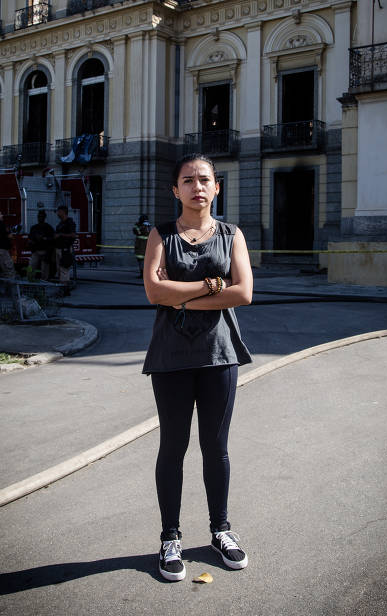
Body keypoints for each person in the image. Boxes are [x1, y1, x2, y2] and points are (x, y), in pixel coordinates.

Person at [142, 153, 253, 582]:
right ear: (176, 191)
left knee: (216, 447)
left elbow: (243, 293)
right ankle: (170, 538)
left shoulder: (232, 234)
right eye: (187, 180)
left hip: (219, 355)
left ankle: (220, 531)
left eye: (204, 179)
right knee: (173, 446)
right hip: (171, 357)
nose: (197, 186)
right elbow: (154, 291)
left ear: (217, 187)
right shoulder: (160, 234)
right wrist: (210, 285)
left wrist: (180, 294)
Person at [54, 205, 76, 287]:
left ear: (64, 212)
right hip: (59, 248)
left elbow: (73, 235)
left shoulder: (70, 223)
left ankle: (65, 288)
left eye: (59, 212)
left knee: (64, 268)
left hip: (65, 249)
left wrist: (60, 235)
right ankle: (62, 286)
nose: (58, 213)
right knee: (59, 269)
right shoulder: (60, 224)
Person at [29, 209, 54, 280]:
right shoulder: (34, 228)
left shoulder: (48, 228)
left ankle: (44, 283)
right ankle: (30, 280)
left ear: (44, 217)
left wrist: (44, 238)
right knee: (31, 266)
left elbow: (52, 239)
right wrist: (32, 242)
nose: (40, 218)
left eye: (41, 216)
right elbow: (30, 239)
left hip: (45, 251)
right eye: (39, 216)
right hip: (36, 251)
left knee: (44, 270)